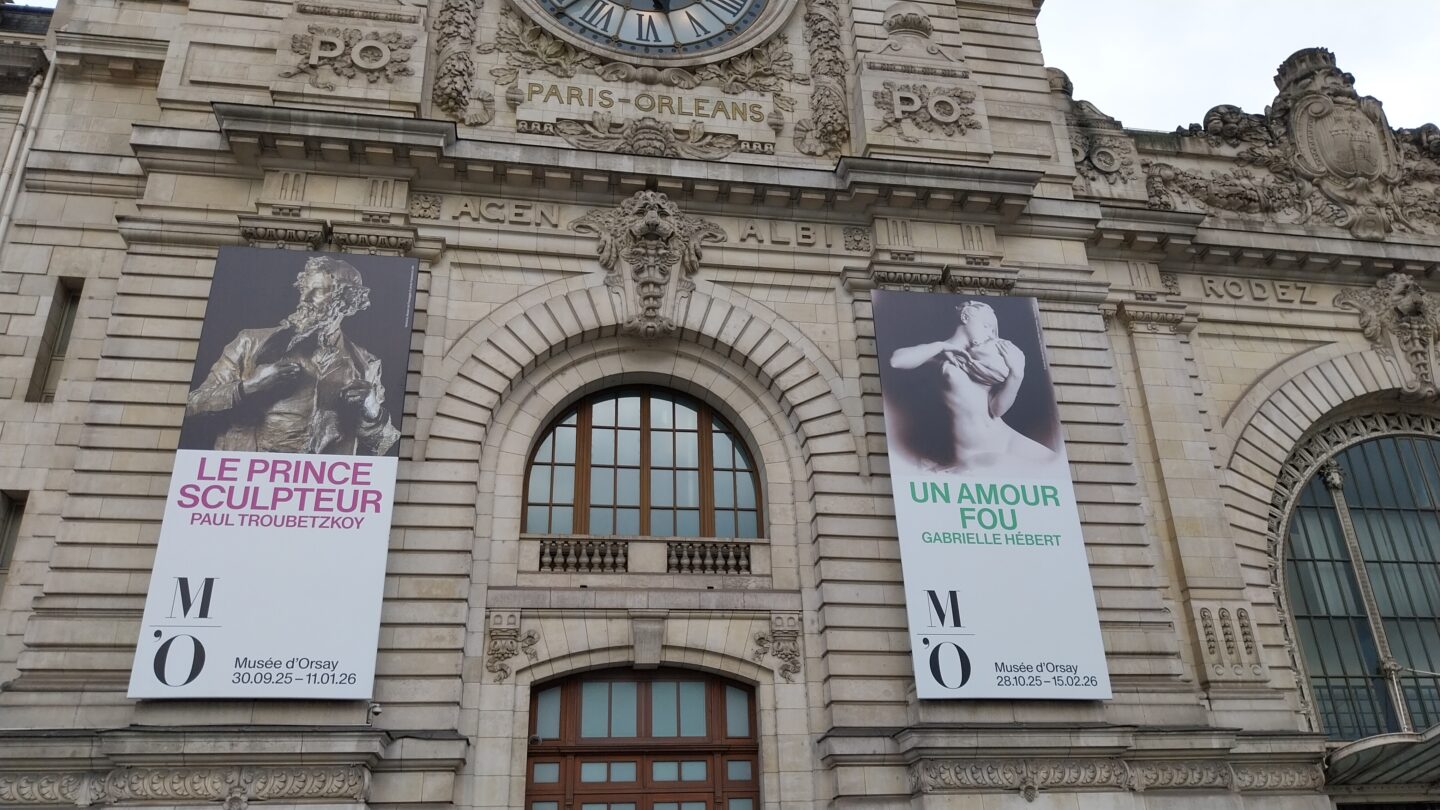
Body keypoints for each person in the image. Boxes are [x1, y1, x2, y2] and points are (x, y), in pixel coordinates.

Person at [185, 256, 400, 456]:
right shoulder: (250, 342)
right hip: (249, 471)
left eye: (318, 291)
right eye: (305, 290)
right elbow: (194, 404)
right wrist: (249, 387)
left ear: (347, 301)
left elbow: (383, 444)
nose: (304, 298)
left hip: (321, 479)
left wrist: (373, 410)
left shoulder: (366, 363)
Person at [888, 300, 1060, 475]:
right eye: (986, 326)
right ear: (965, 317)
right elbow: (896, 361)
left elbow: (996, 410)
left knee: (1056, 467)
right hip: (976, 452)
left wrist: (1016, 375)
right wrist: (941, 346)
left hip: (1005, 438)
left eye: (992, 330)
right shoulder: (940, 354)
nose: (990, 334)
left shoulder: (985, 354)